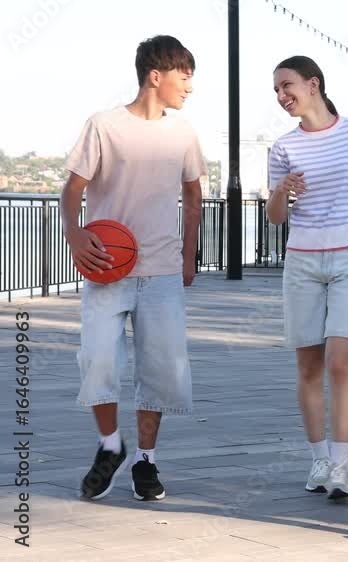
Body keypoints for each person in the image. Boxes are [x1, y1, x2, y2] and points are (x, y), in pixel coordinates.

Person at [63, 35, 206, 501]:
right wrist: (74, 232)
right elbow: (72, 188)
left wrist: (189, 253)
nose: (190, 86)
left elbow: (193, 195)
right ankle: (111, 446)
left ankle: (146, 459)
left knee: (160, 369)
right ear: (156, 75)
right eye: (184, 76)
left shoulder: (183, 133)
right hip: (108, 268)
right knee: (98, 359)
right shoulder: (103, 125)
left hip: (162, 270)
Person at [266, 55, 348, 500]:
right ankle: (318, 459)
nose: (282, 96)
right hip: (302, 262)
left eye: (287, 85)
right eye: (276, 90)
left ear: (313, 84)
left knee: (340, 361)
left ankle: (341, 464)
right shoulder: (283, 148)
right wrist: (282, 191)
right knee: (308, 366)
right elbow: (276, 217)